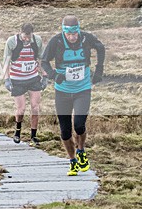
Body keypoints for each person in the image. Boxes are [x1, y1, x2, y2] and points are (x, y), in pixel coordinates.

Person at [42, 15, 106, 176]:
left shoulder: (86, 38)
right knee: (65, 131)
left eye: (74, 34)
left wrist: (99, 70)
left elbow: (101, 48)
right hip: (62, 91)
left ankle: (81, 150)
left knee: (79, 124)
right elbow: (44, 61)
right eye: (69, 34)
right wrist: (53, 75)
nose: (72, 37)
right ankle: (72, 161)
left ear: (78, 31)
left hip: (82, 89)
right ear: (64, 32)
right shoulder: (56, 41)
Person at [3, 23, 46, 144]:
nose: (27, 39)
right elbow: (6, 62)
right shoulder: (12, 41)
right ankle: (17, 132)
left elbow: (41, 59)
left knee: (35, 107)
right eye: (25, 36)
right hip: (17, 79)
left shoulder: (37, 40)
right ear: (20, 33)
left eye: (29, 36)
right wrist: (7, 79)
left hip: (33, 78)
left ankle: (33, 135)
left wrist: (45, 76)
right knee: (21, 109)